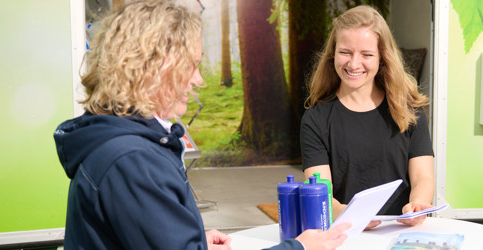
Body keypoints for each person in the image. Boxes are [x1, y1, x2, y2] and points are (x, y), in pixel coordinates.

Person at [53, 1, 349, 249]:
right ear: (156, 68)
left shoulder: (124, 143)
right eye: (191, 66)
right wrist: (301, 247)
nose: (199, 80)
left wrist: (192, 240)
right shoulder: (133, 160)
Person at [300, 5, 435, 230]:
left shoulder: (410, 110)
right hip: (345, 235)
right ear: (333, 53)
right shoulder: (315, 121)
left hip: (402, 234)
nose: (354, 64)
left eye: (366, 54)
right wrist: (352, 214)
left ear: (382, 57)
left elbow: (423, 178)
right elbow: (321, 196)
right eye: (345, 52)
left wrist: (418, 205)